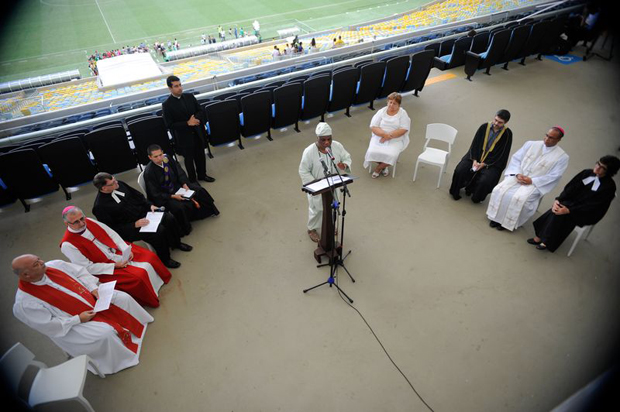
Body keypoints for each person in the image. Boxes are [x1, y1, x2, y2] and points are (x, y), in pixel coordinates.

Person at [12, 255, 154, 375]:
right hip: (73, 323)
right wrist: (78, 319)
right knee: (104, 333)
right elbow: (49, 325)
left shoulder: (55, 265)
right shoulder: (24, 303)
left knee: (123, 298)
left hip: (92, 298)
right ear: (26, 275)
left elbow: (80, 272)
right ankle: (120, 359)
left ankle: (138, 327)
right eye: (37, 264)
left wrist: (93, 288)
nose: (42, 262)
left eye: (39, 259)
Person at [60, 206, 171, 308]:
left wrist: (124, 248)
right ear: (66, 223)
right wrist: (114, 265)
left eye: (82, 218)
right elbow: (87, 267)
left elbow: (111, 233)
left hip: (116, 250)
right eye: (76, 222)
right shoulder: (68, 244)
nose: (82, 223)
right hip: (104, 267)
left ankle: (161, 279)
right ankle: (150, 297)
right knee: (138, 277)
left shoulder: (89, 221)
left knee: (149, 256)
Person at [92, 172, 193, 269]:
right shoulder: (100, 207)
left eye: (114, 179)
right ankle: (165, 259)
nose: (116, 182)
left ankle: (176, 243)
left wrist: (150, 205)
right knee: (159, 231)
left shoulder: (120, 184)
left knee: (169, 218)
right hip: (130, 227)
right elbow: (111, 230)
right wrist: (134, 225)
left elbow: (138, 196)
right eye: (112, 183)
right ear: (104, 188)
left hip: (143, 213)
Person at [487, 127, 569, 231]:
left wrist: (532, 181)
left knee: (520, 199)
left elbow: (555, 175)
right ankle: (496, 217)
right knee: (499, 190)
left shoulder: (562, 157)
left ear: (558, 140)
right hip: (519, 176)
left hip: (534, 183)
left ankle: (508, 222)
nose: (547, 139)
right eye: (547, 135)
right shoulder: (531, 144)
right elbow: (516, 158)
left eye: (551, 138)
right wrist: (517, 174)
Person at [529, 155, 619, 252]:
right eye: (598, 163)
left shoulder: (609, 187)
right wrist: (558, 200)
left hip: (586, 212)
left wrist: (569, 210)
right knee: (558, 209)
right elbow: (570, 188)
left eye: (603, 168)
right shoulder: (586, 173)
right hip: (572, 202)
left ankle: (542, 238)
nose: (598, 167)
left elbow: (593, 206)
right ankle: (546, 239)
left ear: (609, 172)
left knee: (559, 213)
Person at [144, 145, 219, 235]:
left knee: (199, 190)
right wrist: (173, 196)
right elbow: (154, 193)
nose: (160, 158)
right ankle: (186, 227)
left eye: (161, 154)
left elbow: (179, 172)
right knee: (179, 207)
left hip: (178, 185)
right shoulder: (149, 172)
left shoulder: (167, 158)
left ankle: (206, 212)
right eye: (156, 157)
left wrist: (184, 183)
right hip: (166, 194)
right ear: (150, 157)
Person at [299, 123, 352, 242]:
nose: (327, 143)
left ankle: (331, 226)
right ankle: (311, 229)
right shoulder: (309, 151)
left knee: (333, 206)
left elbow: (346, 157)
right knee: (316, 209)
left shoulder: (337, 146)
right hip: (318, 187)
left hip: (333, 185)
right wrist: (314, 185)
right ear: (317, 138)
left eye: (329, 139)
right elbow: (303, 170)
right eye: (323, 140)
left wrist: (344, 165)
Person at [449, 109, 513, 202]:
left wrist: (484, 164)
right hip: (476, 155)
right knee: (461, 170)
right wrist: (475, 160)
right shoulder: (484, 127)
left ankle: (476, 197)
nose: (496, 123)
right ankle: (455, 191)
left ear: (505, 122)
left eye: (500, 122)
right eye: (495, 120)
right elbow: (475, 144)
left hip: (492, 161)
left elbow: (502, 153)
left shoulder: (507, 134)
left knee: (486, 180)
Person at [162, 75, 215, 183]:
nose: (180, 88)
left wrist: (195, 119)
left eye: (180, 85)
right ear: (170, 88)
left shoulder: (190, 96)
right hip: (184, 137)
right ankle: (193, 180)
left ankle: (202, 175)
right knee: (189, 160)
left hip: (197, 133)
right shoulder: (167, 105)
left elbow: (200, 110)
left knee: (201, 156)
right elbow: (169, 124)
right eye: (176, 86)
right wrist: (187, 123)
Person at [363, 92, 411, 178]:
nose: (391, 105)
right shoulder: (382, 111)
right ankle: (384, 166)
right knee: (372, 152)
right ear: (387, 102)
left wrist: (388, 137)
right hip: (379, 136)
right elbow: (373, 126)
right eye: (390, 102)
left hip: (395, 139)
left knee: (392, 155)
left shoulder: (403, 113)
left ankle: (378, 168)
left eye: (394, 103)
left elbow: (403, 129)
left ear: (399, 105)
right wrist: (384, 135)